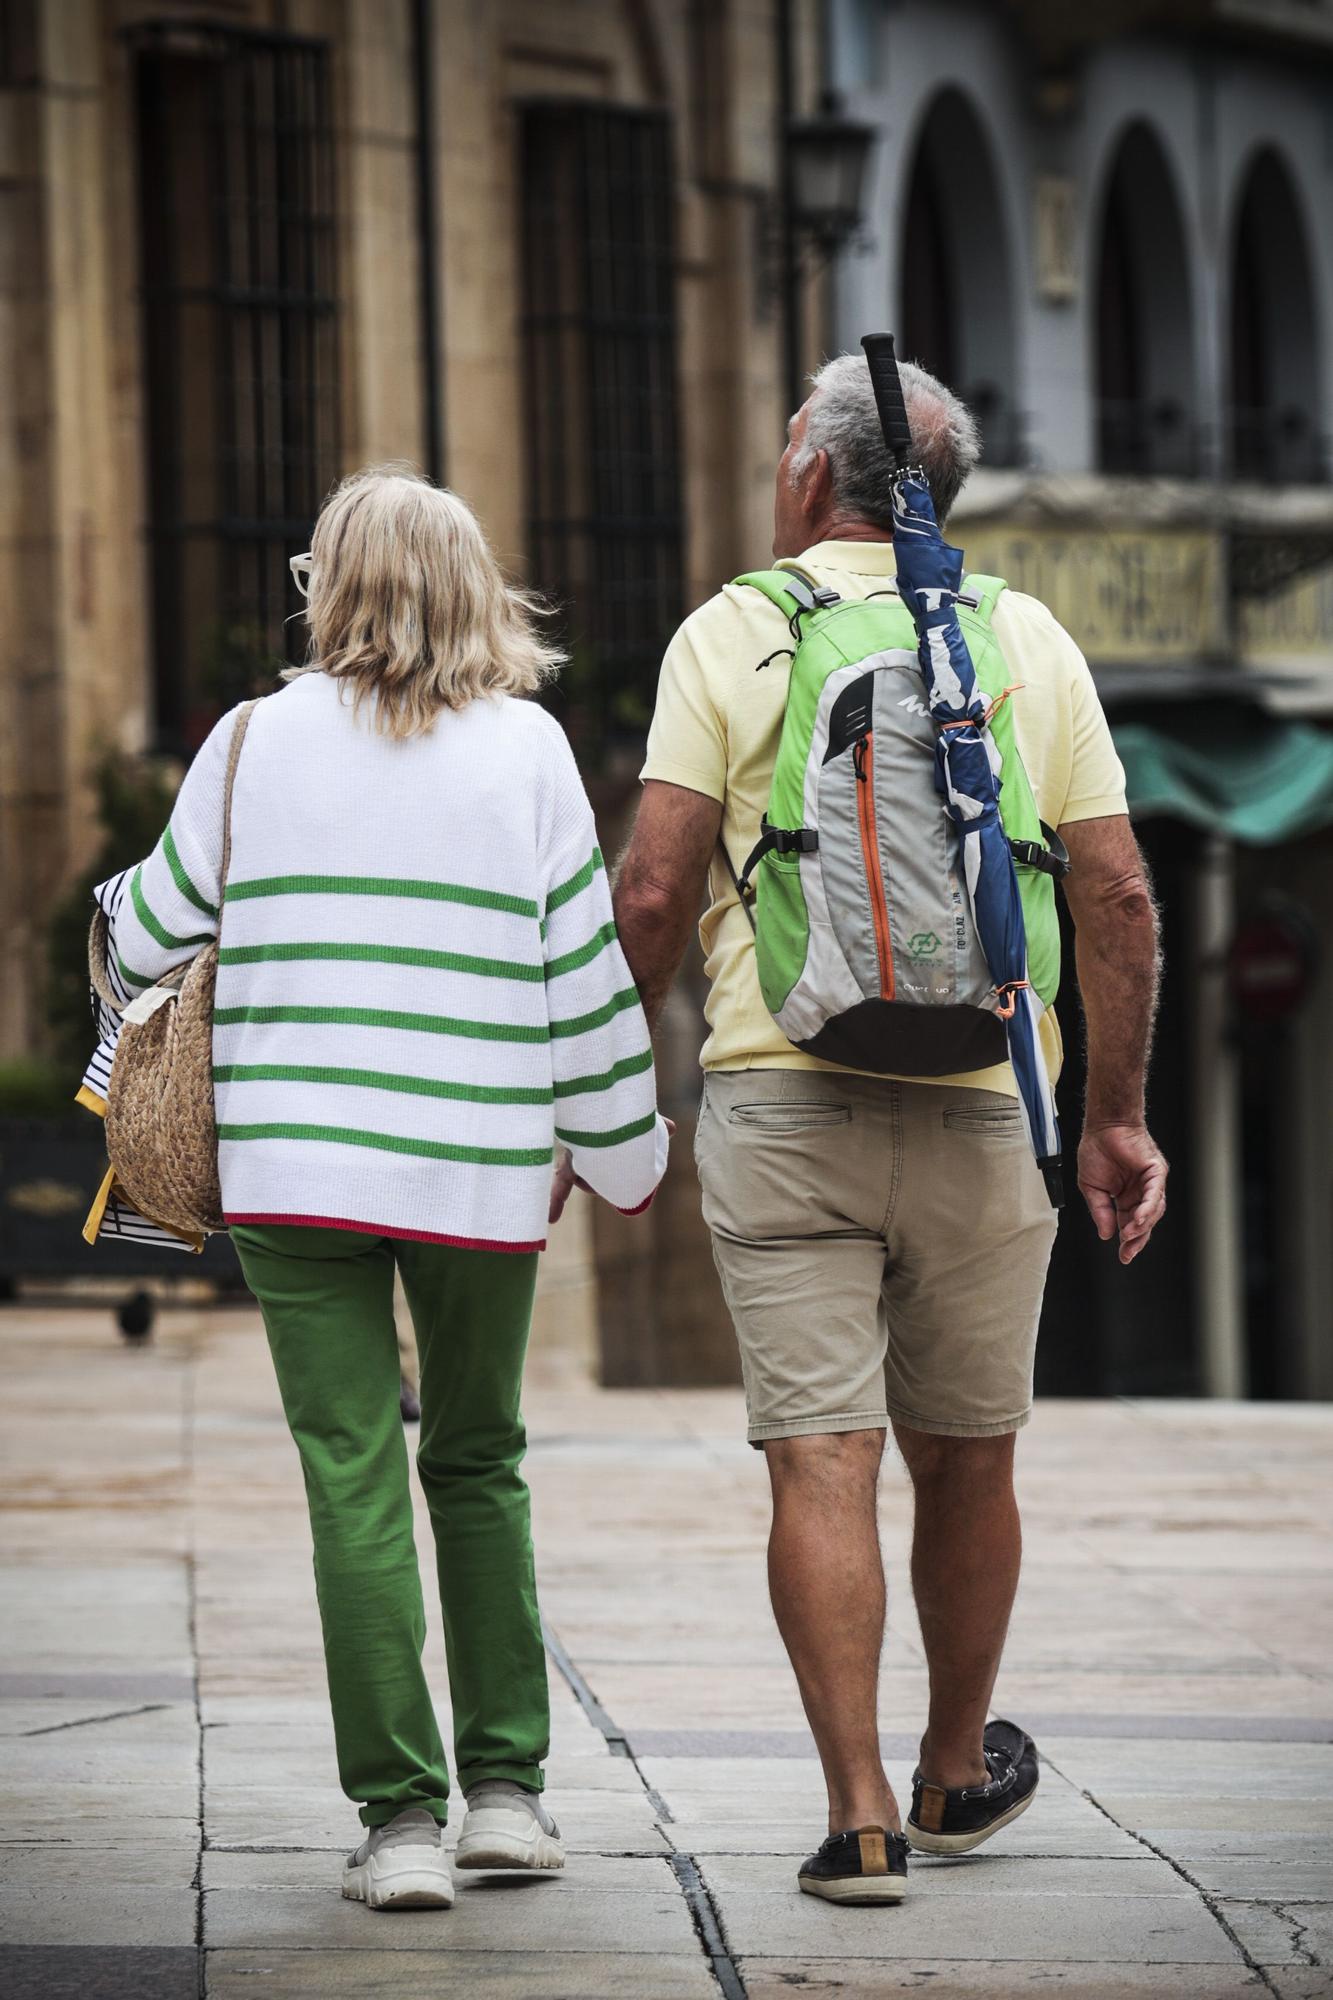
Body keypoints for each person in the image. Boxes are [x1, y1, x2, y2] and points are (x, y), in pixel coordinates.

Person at [583, 354, 1166, 1904]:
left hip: (781, 1094)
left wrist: (596, 1079)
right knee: (968, 1461)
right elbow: (1113, 896)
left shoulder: (733, 629)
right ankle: (952, 1765)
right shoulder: (1025, 639)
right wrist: (1110, 1119)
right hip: (986, 1104)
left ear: (804, 475)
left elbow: (650, 890)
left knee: (820, 1460)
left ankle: (854, 1818)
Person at [92, 467, 670, 1911]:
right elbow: (582, 976)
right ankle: (507, 1802)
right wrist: (623, 1149)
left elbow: (152, 928)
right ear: (475, 587)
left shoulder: (246, 744)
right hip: (478, 1169)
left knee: (350, 1478)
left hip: (295, 1173)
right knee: (477, 1462)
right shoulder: (530, 750)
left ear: (326, 584)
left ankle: (399, 1825)